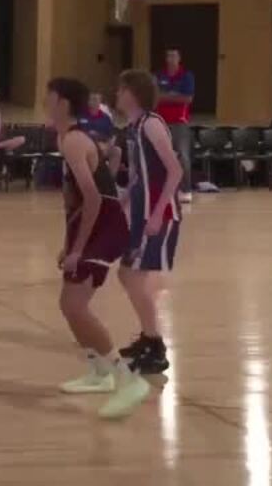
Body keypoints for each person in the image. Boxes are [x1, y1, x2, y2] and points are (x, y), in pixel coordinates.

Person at [46, 77, 151, 419]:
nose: (45, 102)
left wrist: (78, 248)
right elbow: (72, 202)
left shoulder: (75, 140)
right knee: (68, 303)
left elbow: (92, 198)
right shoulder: (66, 137)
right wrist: (68, 244)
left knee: (75, 305)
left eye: (49, 97)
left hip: (104, 227)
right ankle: (99, 373)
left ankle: (128, 378)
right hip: (88, 224)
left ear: (62, 104)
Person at [115, 69, 183, 375]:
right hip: (142, 213)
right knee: (127, 274)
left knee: (131, 274)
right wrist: (122, 205)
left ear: (133, 93)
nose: (117, 94)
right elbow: (137, 178)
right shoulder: (134, 127)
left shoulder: (152, 124)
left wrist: (156, 214)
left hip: (158, 214)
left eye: (121, 89)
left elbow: (175, 170)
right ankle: (148, 336)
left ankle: (155, 346)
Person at [154, 48, 194, 203]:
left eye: (174, 55)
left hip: (179, 121)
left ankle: (186, 189)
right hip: (160, 121)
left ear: (179, 58)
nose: (171, 58)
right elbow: (155, 97)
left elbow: (187, 99)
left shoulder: (186, 75)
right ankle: (160, 189)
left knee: (183, 156)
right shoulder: (159, 75)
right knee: (159, 155)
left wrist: (165, 96)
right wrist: (174, 95)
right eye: (168, 55)